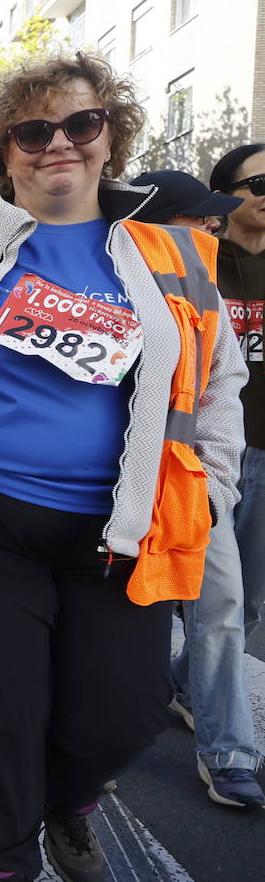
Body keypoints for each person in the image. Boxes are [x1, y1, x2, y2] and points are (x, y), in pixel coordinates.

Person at [0, 53, 248, 882]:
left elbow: (218, 388)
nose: (58, 142)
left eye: (81, 123)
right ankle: (3, 866)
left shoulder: (171, 256)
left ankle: (66, 801)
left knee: (125, 714)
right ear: (6, 150)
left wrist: (214, 490)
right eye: (34, 130)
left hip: (124, 531)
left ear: (110, 136)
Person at [130, 168, 264, 807]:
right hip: (111, 493)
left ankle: (230, 756)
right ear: (151, 223)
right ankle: (95, 747)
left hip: (190, 487)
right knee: (121, 624)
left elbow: (223, 387)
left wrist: (214, 483)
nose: (214, 225)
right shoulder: (102, 284)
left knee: (222, 611)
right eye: (200, 217)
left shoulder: (203, 288)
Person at [210, 144, 265, 649]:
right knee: (216, 597)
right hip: (210, 447)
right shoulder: (199, 261)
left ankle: (181, 688)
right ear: (225, 198)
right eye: (259, 185)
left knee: (249, 600)